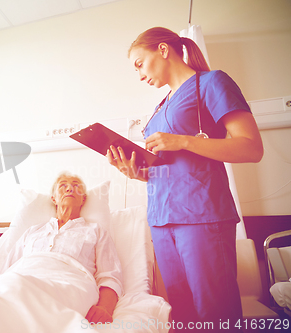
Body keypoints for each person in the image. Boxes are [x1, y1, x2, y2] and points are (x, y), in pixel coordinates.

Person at [106, 27, 263, 330]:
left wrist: (183, 141)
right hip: (162, 220)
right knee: (183, 314)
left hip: (201, 215)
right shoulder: (160, 108)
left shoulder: (211, 83)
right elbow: (167, 169)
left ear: (163, 50)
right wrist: (134, 172)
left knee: (215, 313)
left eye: (139, 64)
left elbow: (252, 147)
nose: (139, 75)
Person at [3, 172, 123, 324]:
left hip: (70, 284)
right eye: (63, 186)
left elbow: (110, 276)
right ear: (54, 198)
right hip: (22, 279)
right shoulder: (32, 231)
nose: (69, 189)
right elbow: (8, 269)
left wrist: (105, 308)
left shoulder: (96, 231)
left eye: (76, 186)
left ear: (83, 199)